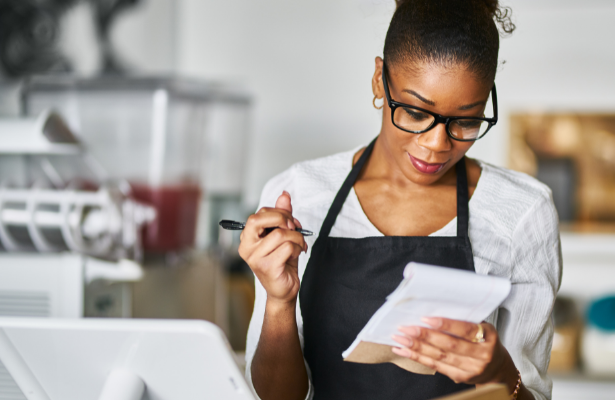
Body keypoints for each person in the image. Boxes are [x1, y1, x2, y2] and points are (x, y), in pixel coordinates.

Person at [240, 1, 562, 399]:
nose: (436, 144)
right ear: (380, 80)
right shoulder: (300, 193)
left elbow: (530, 393)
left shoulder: (520, 213)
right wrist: (278, 301)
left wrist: (499, 372)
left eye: (465, 120)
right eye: (414, 112)